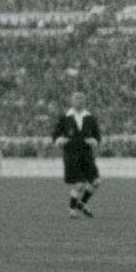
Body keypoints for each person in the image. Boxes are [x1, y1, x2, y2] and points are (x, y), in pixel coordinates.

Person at [51, 91, 101, 219]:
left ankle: (82, 203)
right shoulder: (65, 118)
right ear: (71, 101)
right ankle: (72, 210)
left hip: (86, 155)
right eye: (76, 98)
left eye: (81, 98)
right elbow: (55, 135)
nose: (79, 100)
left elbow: (97, 137)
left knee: (96, 182)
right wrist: (59, 141)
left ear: (85, 101)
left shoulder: (90, 118)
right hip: (71, 155)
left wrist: (94, 141)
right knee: (79, 184)